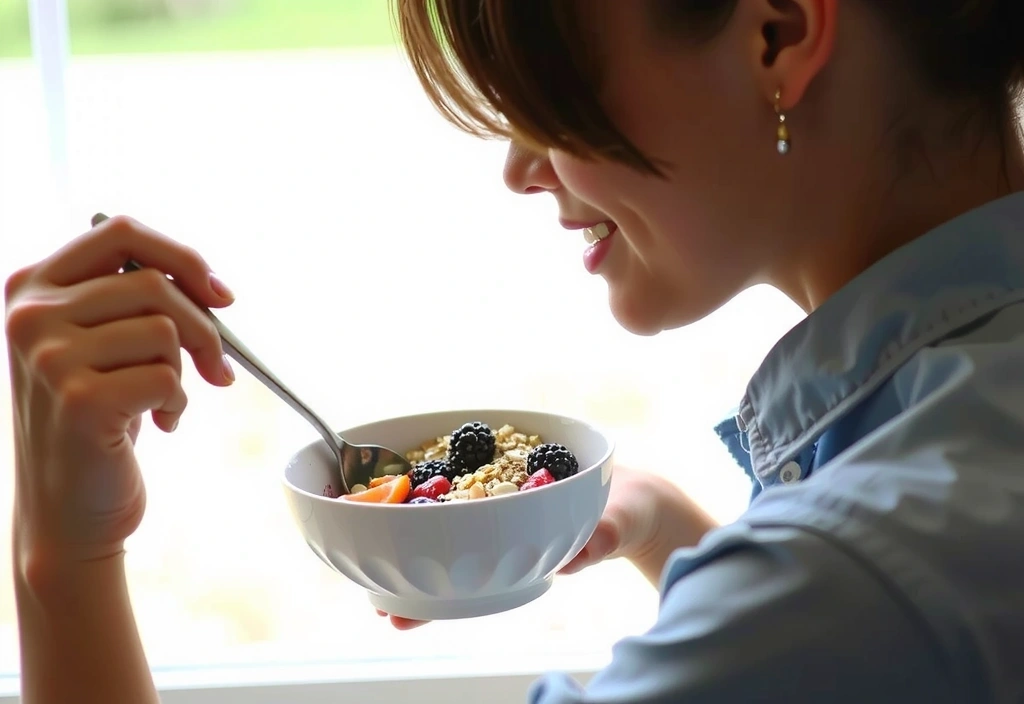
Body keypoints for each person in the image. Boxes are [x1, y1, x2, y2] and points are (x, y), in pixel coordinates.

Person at [7, 0, 1024, 701]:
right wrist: (675, 530)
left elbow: (844, 610)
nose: (517, 166)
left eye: (539, 80)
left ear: (777, 32)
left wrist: (63, 555)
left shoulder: (827, 588)